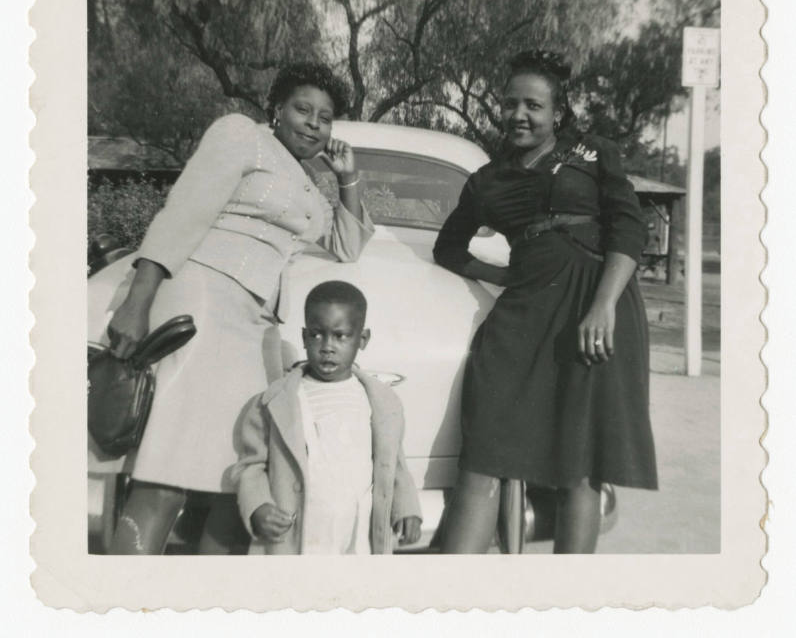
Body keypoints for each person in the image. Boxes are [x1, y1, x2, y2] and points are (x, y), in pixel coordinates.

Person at [104, 63, 375, 554]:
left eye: (326, 117)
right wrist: (138, 300)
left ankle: (214, 606)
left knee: (239, 477)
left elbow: (347, 245)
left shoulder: (310, 187)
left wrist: (348, 178)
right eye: (303, 109)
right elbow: (184, 212)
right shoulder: (240, 135)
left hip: (254, 328)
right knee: (166, 473)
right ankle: (122, 605)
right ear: (276, 109)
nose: (314, 123)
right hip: (202, 304)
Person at [433, 49, 657, 554]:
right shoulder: (486, 179)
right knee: (484, 453)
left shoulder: (595, 153)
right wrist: (504, 274)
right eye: (510, 104)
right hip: (524, 312)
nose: (519, 115)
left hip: (595, 308)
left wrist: (602, 307)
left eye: (533, 105)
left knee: (580, 465)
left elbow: (628, 228)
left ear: (558, 112)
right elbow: (448, 248)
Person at [232, 281, 422, 554]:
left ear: (363, 339)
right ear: (304, 336)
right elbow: (250, 465)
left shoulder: (381, 402)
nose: (327, 347)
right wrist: (258, 505)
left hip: (357, 535)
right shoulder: (276, 401)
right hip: (299, 534)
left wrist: (406, 508)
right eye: (317, 335)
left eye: (341, 336)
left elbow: (394, 463)